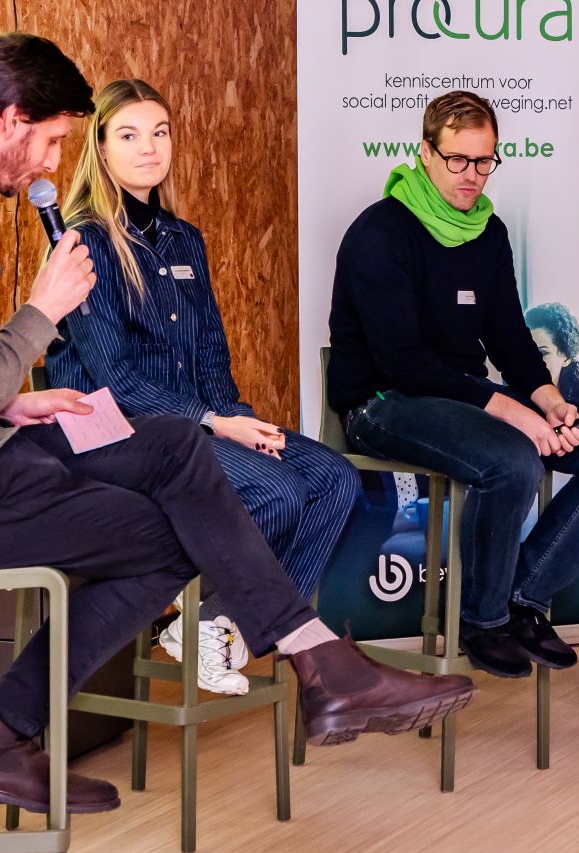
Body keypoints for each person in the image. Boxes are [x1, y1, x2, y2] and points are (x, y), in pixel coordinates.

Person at [0, 34, 473, 813]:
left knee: (174, 448)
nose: (52, 162)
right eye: (52, 140)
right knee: (171, 533)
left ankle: (320, 665)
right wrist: (40, 313)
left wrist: (11, 400)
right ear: (11, 119)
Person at [48, 78, 370, 697]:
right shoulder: (83, 241)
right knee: (277, 492)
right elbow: (115, 378)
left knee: (334, 479)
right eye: (129, 135)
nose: (149, 148)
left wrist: (240, 422)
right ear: (101, 147)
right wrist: (217, 424)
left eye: (160, 133)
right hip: (119, 433)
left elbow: (211, 358)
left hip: (196, 424)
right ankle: (207, 621)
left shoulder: (183, 238)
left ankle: (221, 625)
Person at [327, 90, 579, 679]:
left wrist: (548, 400)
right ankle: (483, 620)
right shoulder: (381, 233)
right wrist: (516, 413)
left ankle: (522, 599)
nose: (471, 174)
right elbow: (404, 363)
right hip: (383, 402)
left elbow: (508, 336)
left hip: (462, 396)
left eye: (484, 161)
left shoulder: (488, 231)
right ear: (425, 153)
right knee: (513, 459)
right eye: (458, 159)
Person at [525, 302, 579, 412]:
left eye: (542, 353)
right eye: (526, 352)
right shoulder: (512, 402)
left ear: (566, 357)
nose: (531, 361)